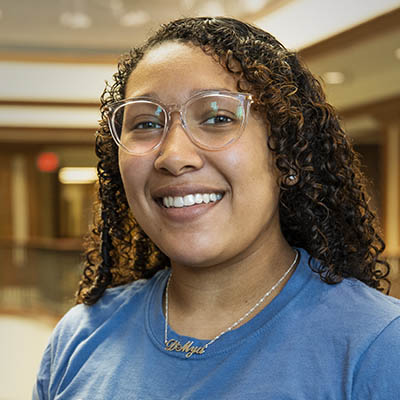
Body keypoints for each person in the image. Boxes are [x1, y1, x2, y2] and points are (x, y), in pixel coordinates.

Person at [33, 17, 400, 399]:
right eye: (145, 124)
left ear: (287, 159)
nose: (173, 156)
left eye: (218, 118)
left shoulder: (378, 347)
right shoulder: (79, 337)